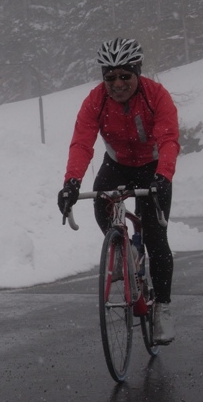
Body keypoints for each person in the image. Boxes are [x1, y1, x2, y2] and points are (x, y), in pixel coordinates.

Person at [58, 37, 180, 345]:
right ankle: (124, 250)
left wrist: (163, 176)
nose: (117, 84)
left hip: (152, 166)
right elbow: (82, 142)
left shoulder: (156, 95)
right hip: (117, 164)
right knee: (101, 204)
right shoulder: (95, 101)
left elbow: (168, 139)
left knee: (155, 236)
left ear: (137, 72)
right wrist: (71, 183)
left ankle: (162, 308)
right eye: (110, 77)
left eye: (125, 76)